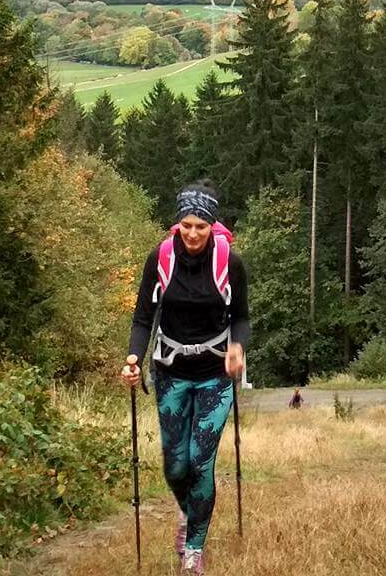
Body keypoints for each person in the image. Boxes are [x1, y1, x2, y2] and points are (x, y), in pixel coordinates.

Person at [123, 183, 248, 575]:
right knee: (175, 466)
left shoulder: (229, 262)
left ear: (213, 226)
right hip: (171, 372)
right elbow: (143, 316)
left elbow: (241, 317)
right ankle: (187, 511)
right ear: (178, 223)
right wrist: (133, 358)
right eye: (186, 225)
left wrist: (238, 348)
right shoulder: (160, 258)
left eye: (201, 226)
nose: (193, 234)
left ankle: (194, 547)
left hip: (214, 374)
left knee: (201, 460)